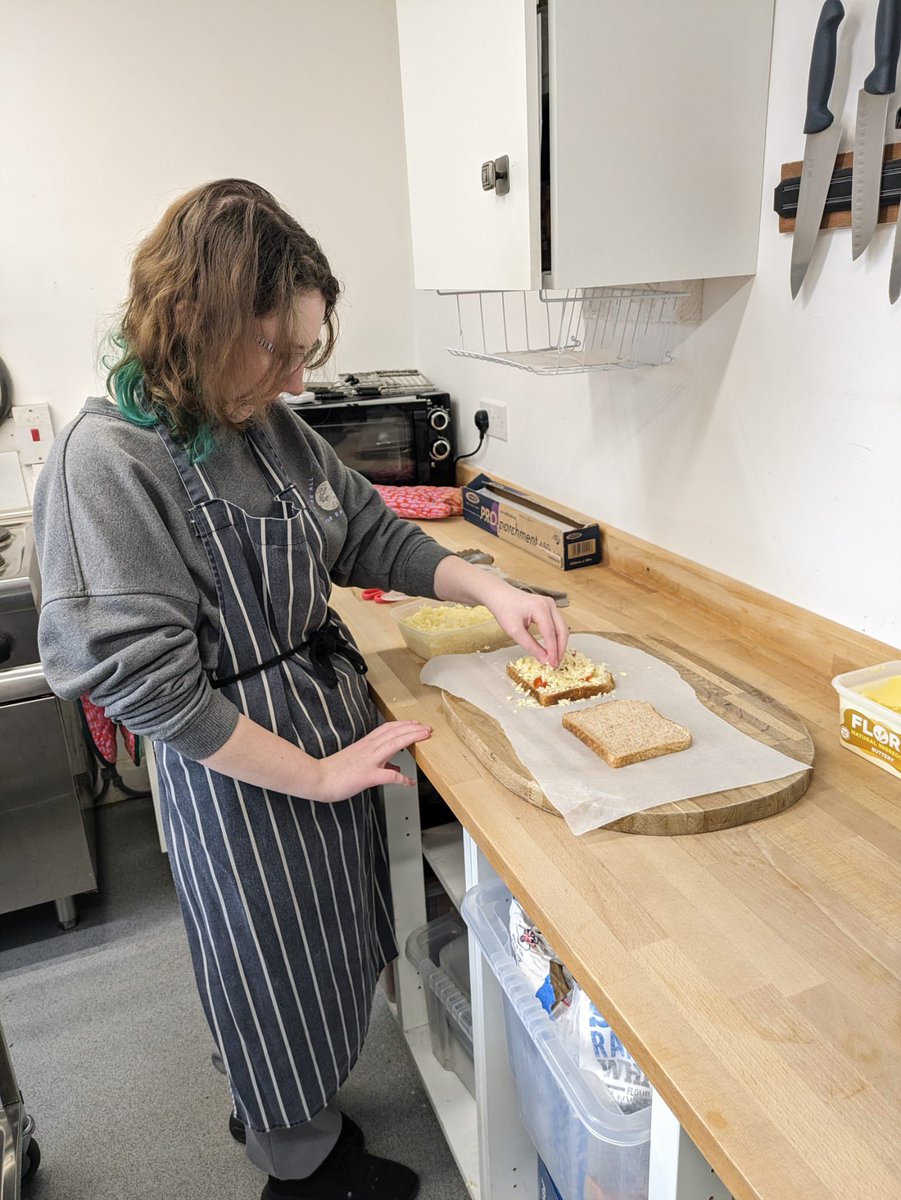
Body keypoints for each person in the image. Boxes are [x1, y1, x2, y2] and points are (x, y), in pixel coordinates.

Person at [33, 179, 569, 1200]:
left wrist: (484, 587)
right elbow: (149, 686)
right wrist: (312, 779)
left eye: (303, 354)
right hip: (236, 763)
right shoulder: (110, 460)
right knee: (264, 963)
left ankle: (294, 1109)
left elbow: (368, 531)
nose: (290, 379)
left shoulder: (263, 425)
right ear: (192, 318)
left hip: (322, 728)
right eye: (275, 349)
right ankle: (298, 1167)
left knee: (336, 939)